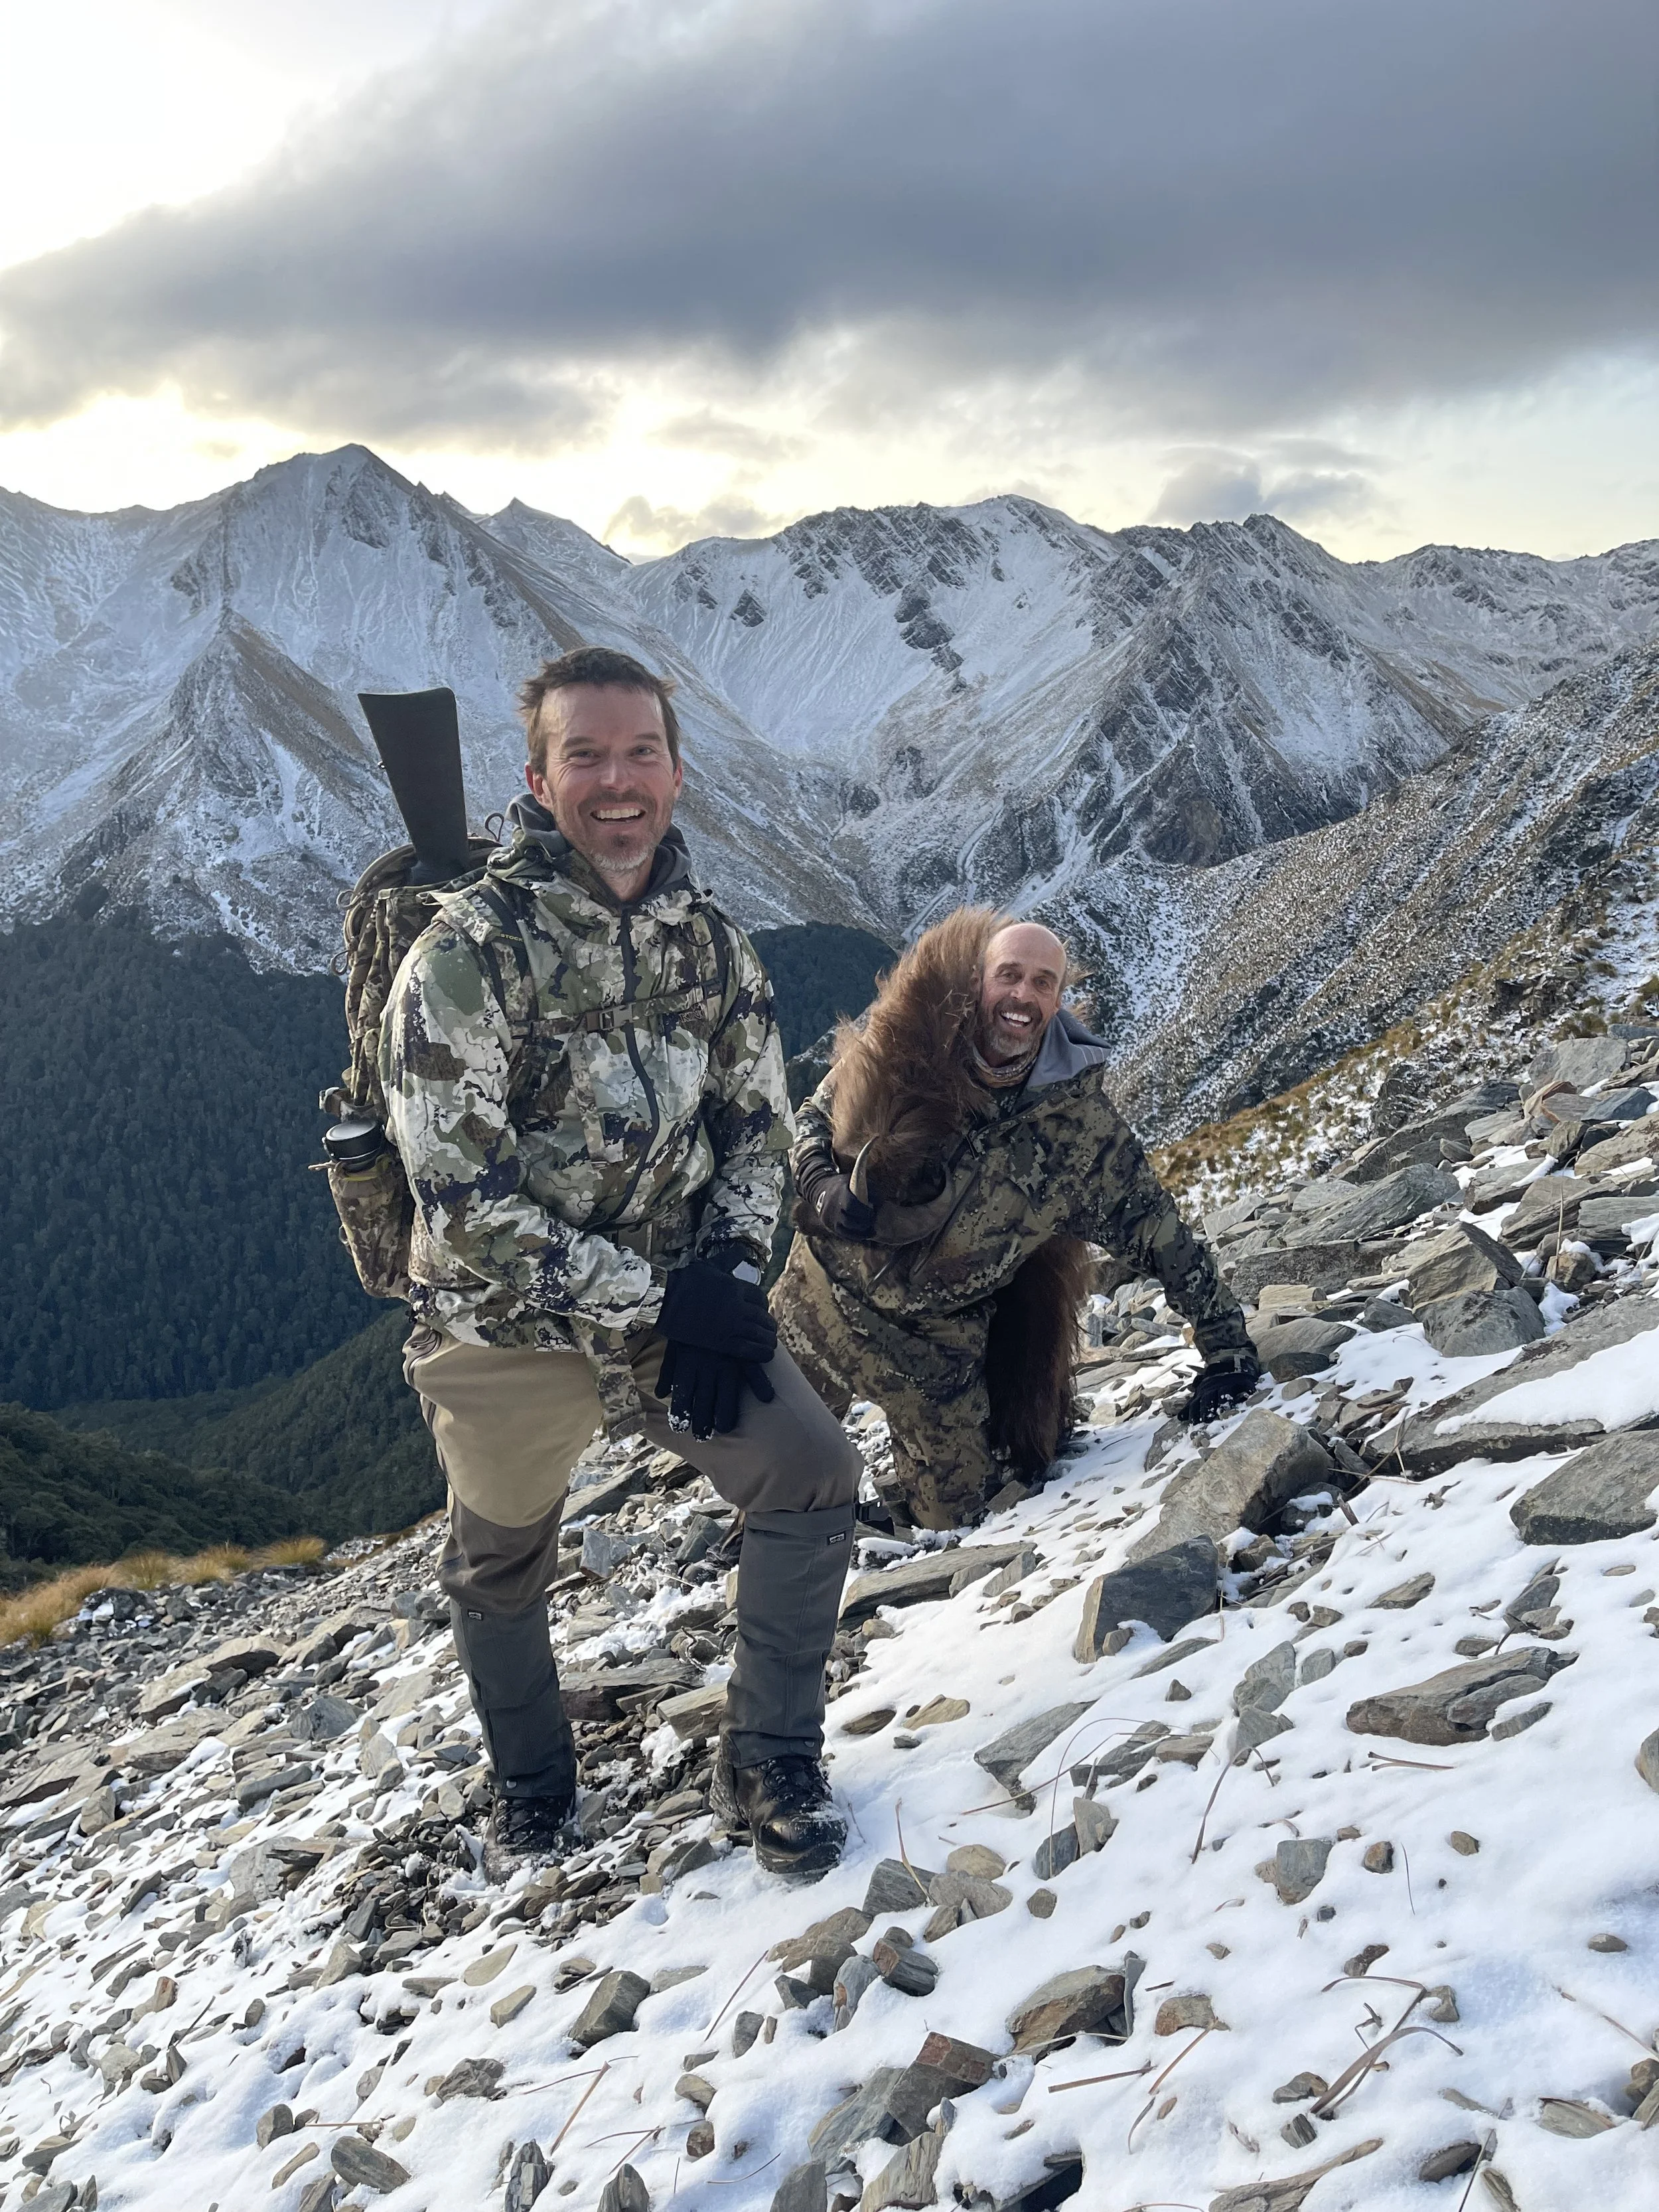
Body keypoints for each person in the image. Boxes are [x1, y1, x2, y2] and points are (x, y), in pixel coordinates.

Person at [380, 645, 863, 1880]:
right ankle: (534, 1788)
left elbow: (762, 1133)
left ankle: (768, 1757)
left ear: (677, 774)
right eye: (584, 755)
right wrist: (665, 1299)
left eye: (639, 752)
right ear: (536, 782)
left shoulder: (716, 949)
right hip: (506, 1323)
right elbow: (464, 1200)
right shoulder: (462, 957)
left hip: (680, 1312)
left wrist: (729, 1282)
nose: (616, 780)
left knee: (811, 1471)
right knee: (500, 1562)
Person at [773, 907, 1260, 1529]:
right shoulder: (907, 1039)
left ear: (1059, 1001)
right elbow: (814, 1114)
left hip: (934, 1351)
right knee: (770, 1501)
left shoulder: (1082, 1133)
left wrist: (1228, 1348)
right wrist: (819, 1185)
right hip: (818, 1296)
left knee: (959, 1521)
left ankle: (877, 1525)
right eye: (1009, 975)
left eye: (1042, 982)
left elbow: (1160, 1232)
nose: (1022, 995)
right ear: (979, 982)